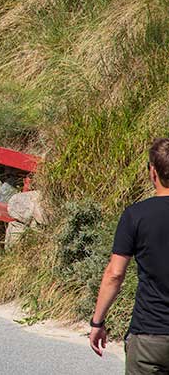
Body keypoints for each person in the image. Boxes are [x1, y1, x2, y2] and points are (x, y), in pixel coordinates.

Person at [90, 138, 169, 371]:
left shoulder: (136, 215)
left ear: (152, 172)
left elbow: (114, 274)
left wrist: (97, 321)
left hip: (149, 335)